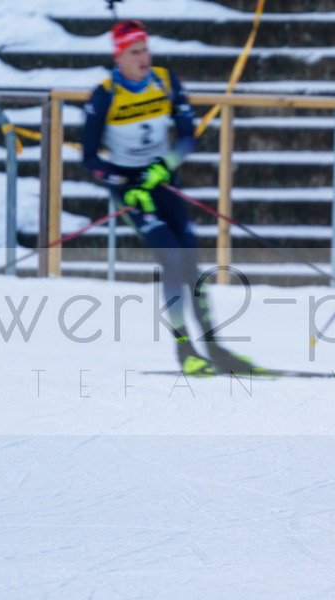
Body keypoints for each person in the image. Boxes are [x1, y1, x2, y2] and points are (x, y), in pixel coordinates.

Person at [81, 20, 253, 376]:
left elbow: (189, 136)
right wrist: (125, 183)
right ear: (119, 56)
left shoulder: (166, 82)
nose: (144, 57)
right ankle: (185, 351)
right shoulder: (105, 96)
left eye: (146, 48)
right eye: (134, 51)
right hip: (132, 193)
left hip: (163, 183)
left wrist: (165, 165)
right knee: (172, 259)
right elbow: (89, 158)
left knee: (191, 261)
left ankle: (215, 347)